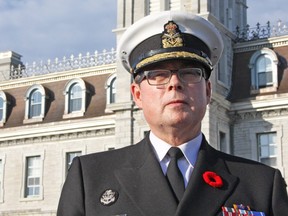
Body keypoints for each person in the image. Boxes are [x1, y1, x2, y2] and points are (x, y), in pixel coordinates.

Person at [57, 11, 288, 216]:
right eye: (157, 75)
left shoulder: (262, 185)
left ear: (208, 91)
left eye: (189, 73)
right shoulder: (89, 178)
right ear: (137, 95)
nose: (175, 83)